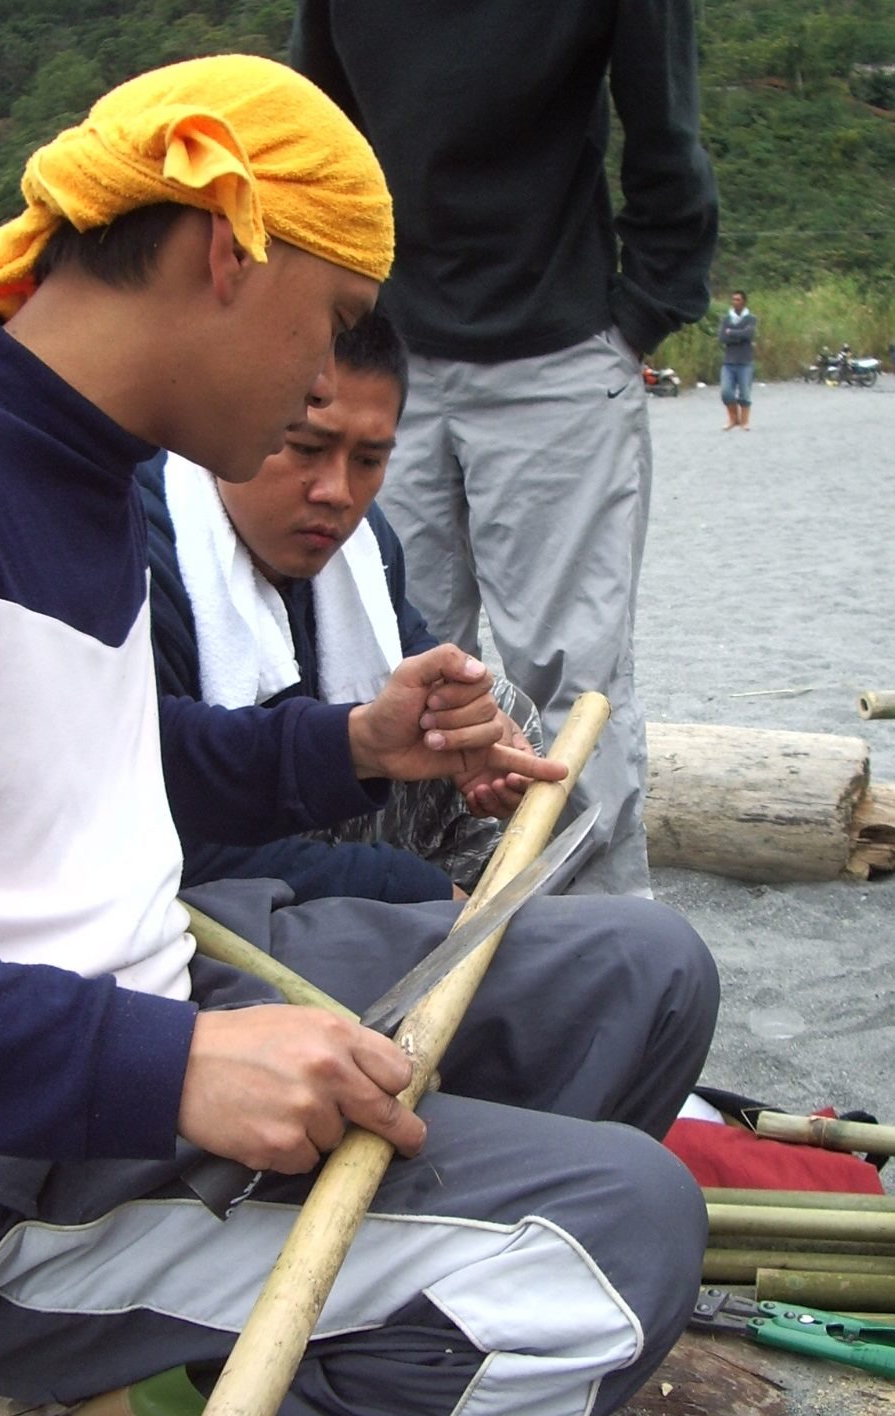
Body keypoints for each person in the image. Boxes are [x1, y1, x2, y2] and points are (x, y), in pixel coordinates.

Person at [0, 54, 719, 1416]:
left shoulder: (78, 460)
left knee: (636, 971)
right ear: (224, 248)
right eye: (328, 326)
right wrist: (172, 1069)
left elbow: (84, 768)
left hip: (137, 1012)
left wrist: (352, 747)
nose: (328, 384)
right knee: (620, 1236)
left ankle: (290, 1317)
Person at [291, 2, 719, 898]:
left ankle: (598, 948)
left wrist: (637, 318)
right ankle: (417, 933)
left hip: (557, 355)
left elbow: (665, 129)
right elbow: (312, 122)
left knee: (570, 675)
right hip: (385, 344)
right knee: (390, 662)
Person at [139, 308, 543, 904]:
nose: (338, 493)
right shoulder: (144, 552)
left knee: (504, 715)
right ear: (239, 417)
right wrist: (414, 890)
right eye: (305, 448)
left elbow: (419, 659)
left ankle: (459, 936)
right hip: (183, 850)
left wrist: (471, 727)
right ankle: (434, 928)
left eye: (369, 460)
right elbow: (161, 831)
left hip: (306, 792)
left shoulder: (363, 543)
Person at [719, 289, 756, 430]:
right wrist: (738, 335)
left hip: (745, 361)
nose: (735, 302)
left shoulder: (750, 318)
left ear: (744, 302)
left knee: (745, 393)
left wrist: (732, 332)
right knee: (726, 392)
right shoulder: (726, 318)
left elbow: (749, 334)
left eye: (738, 299)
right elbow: (722, 337)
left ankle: (744, 421)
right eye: (733, 299)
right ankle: (733, 418)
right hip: (728, 361)